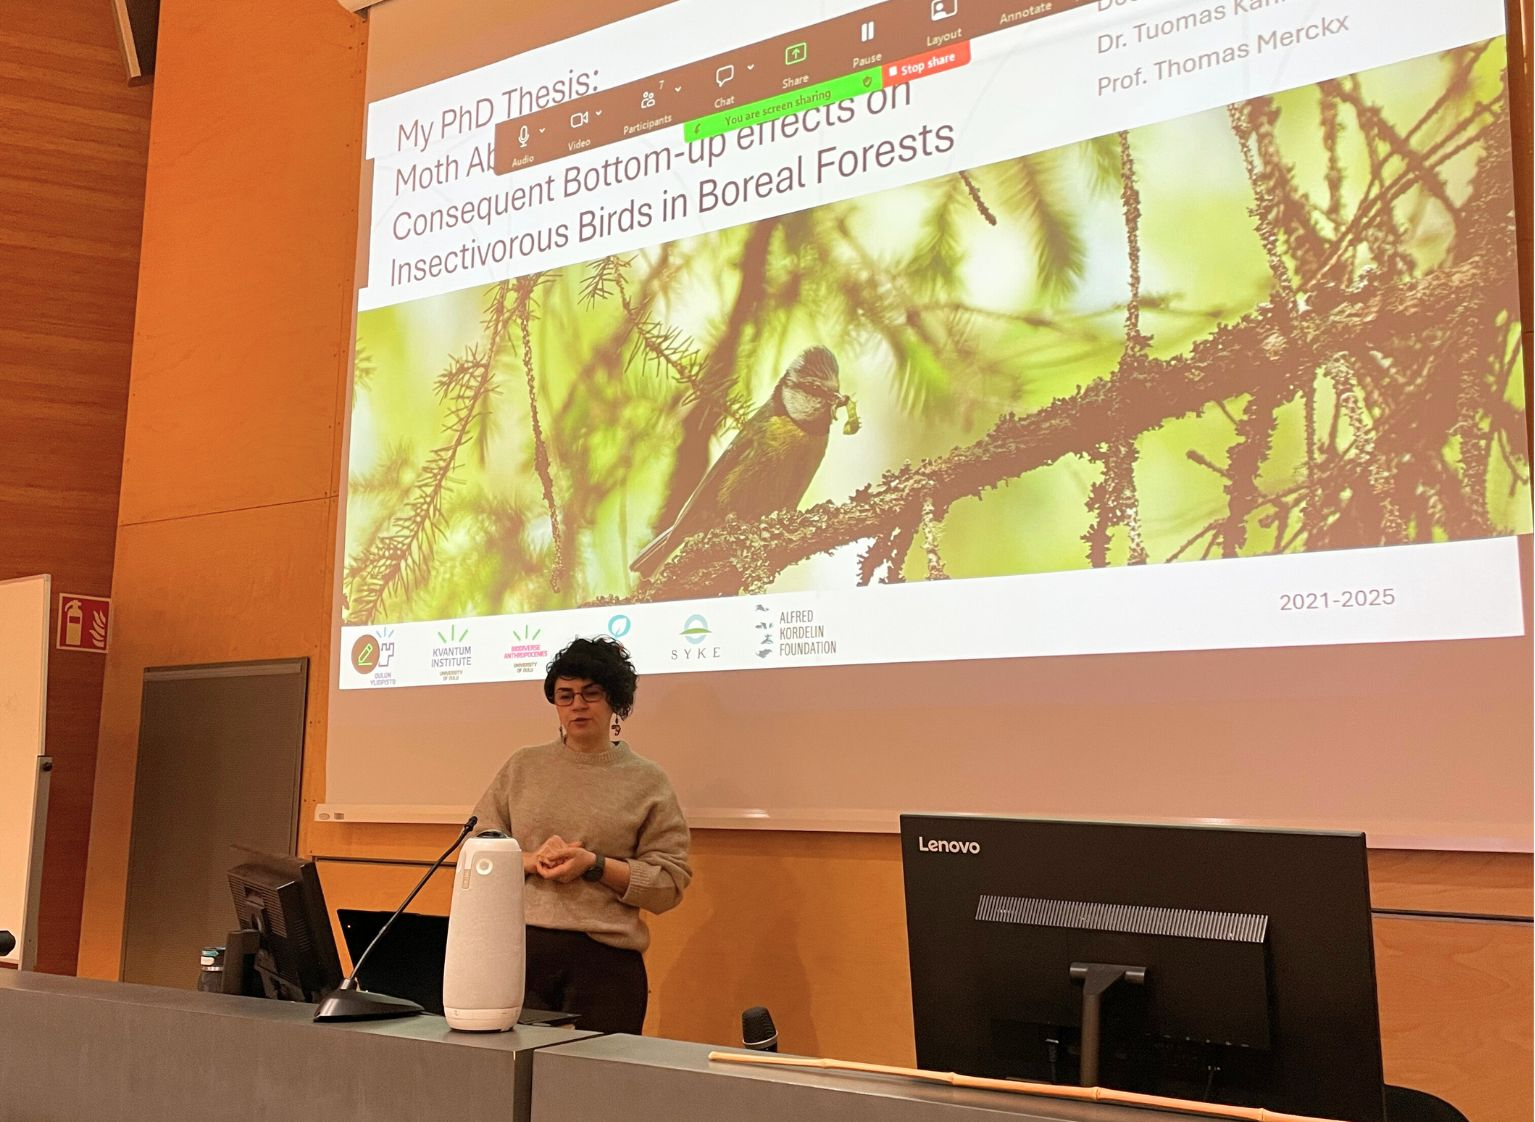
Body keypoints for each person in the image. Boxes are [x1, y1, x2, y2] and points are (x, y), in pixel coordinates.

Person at [471, 636, 691, 1033]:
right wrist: (531, 860)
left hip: (606, 963)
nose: (577, 705)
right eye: (565, 695)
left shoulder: (647, 781)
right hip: (521, 952)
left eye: (591, 693)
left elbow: (668, 884)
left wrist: (595, 865)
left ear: (614, 700)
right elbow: (477, 848)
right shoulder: (523, 766)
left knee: (600, 1073)